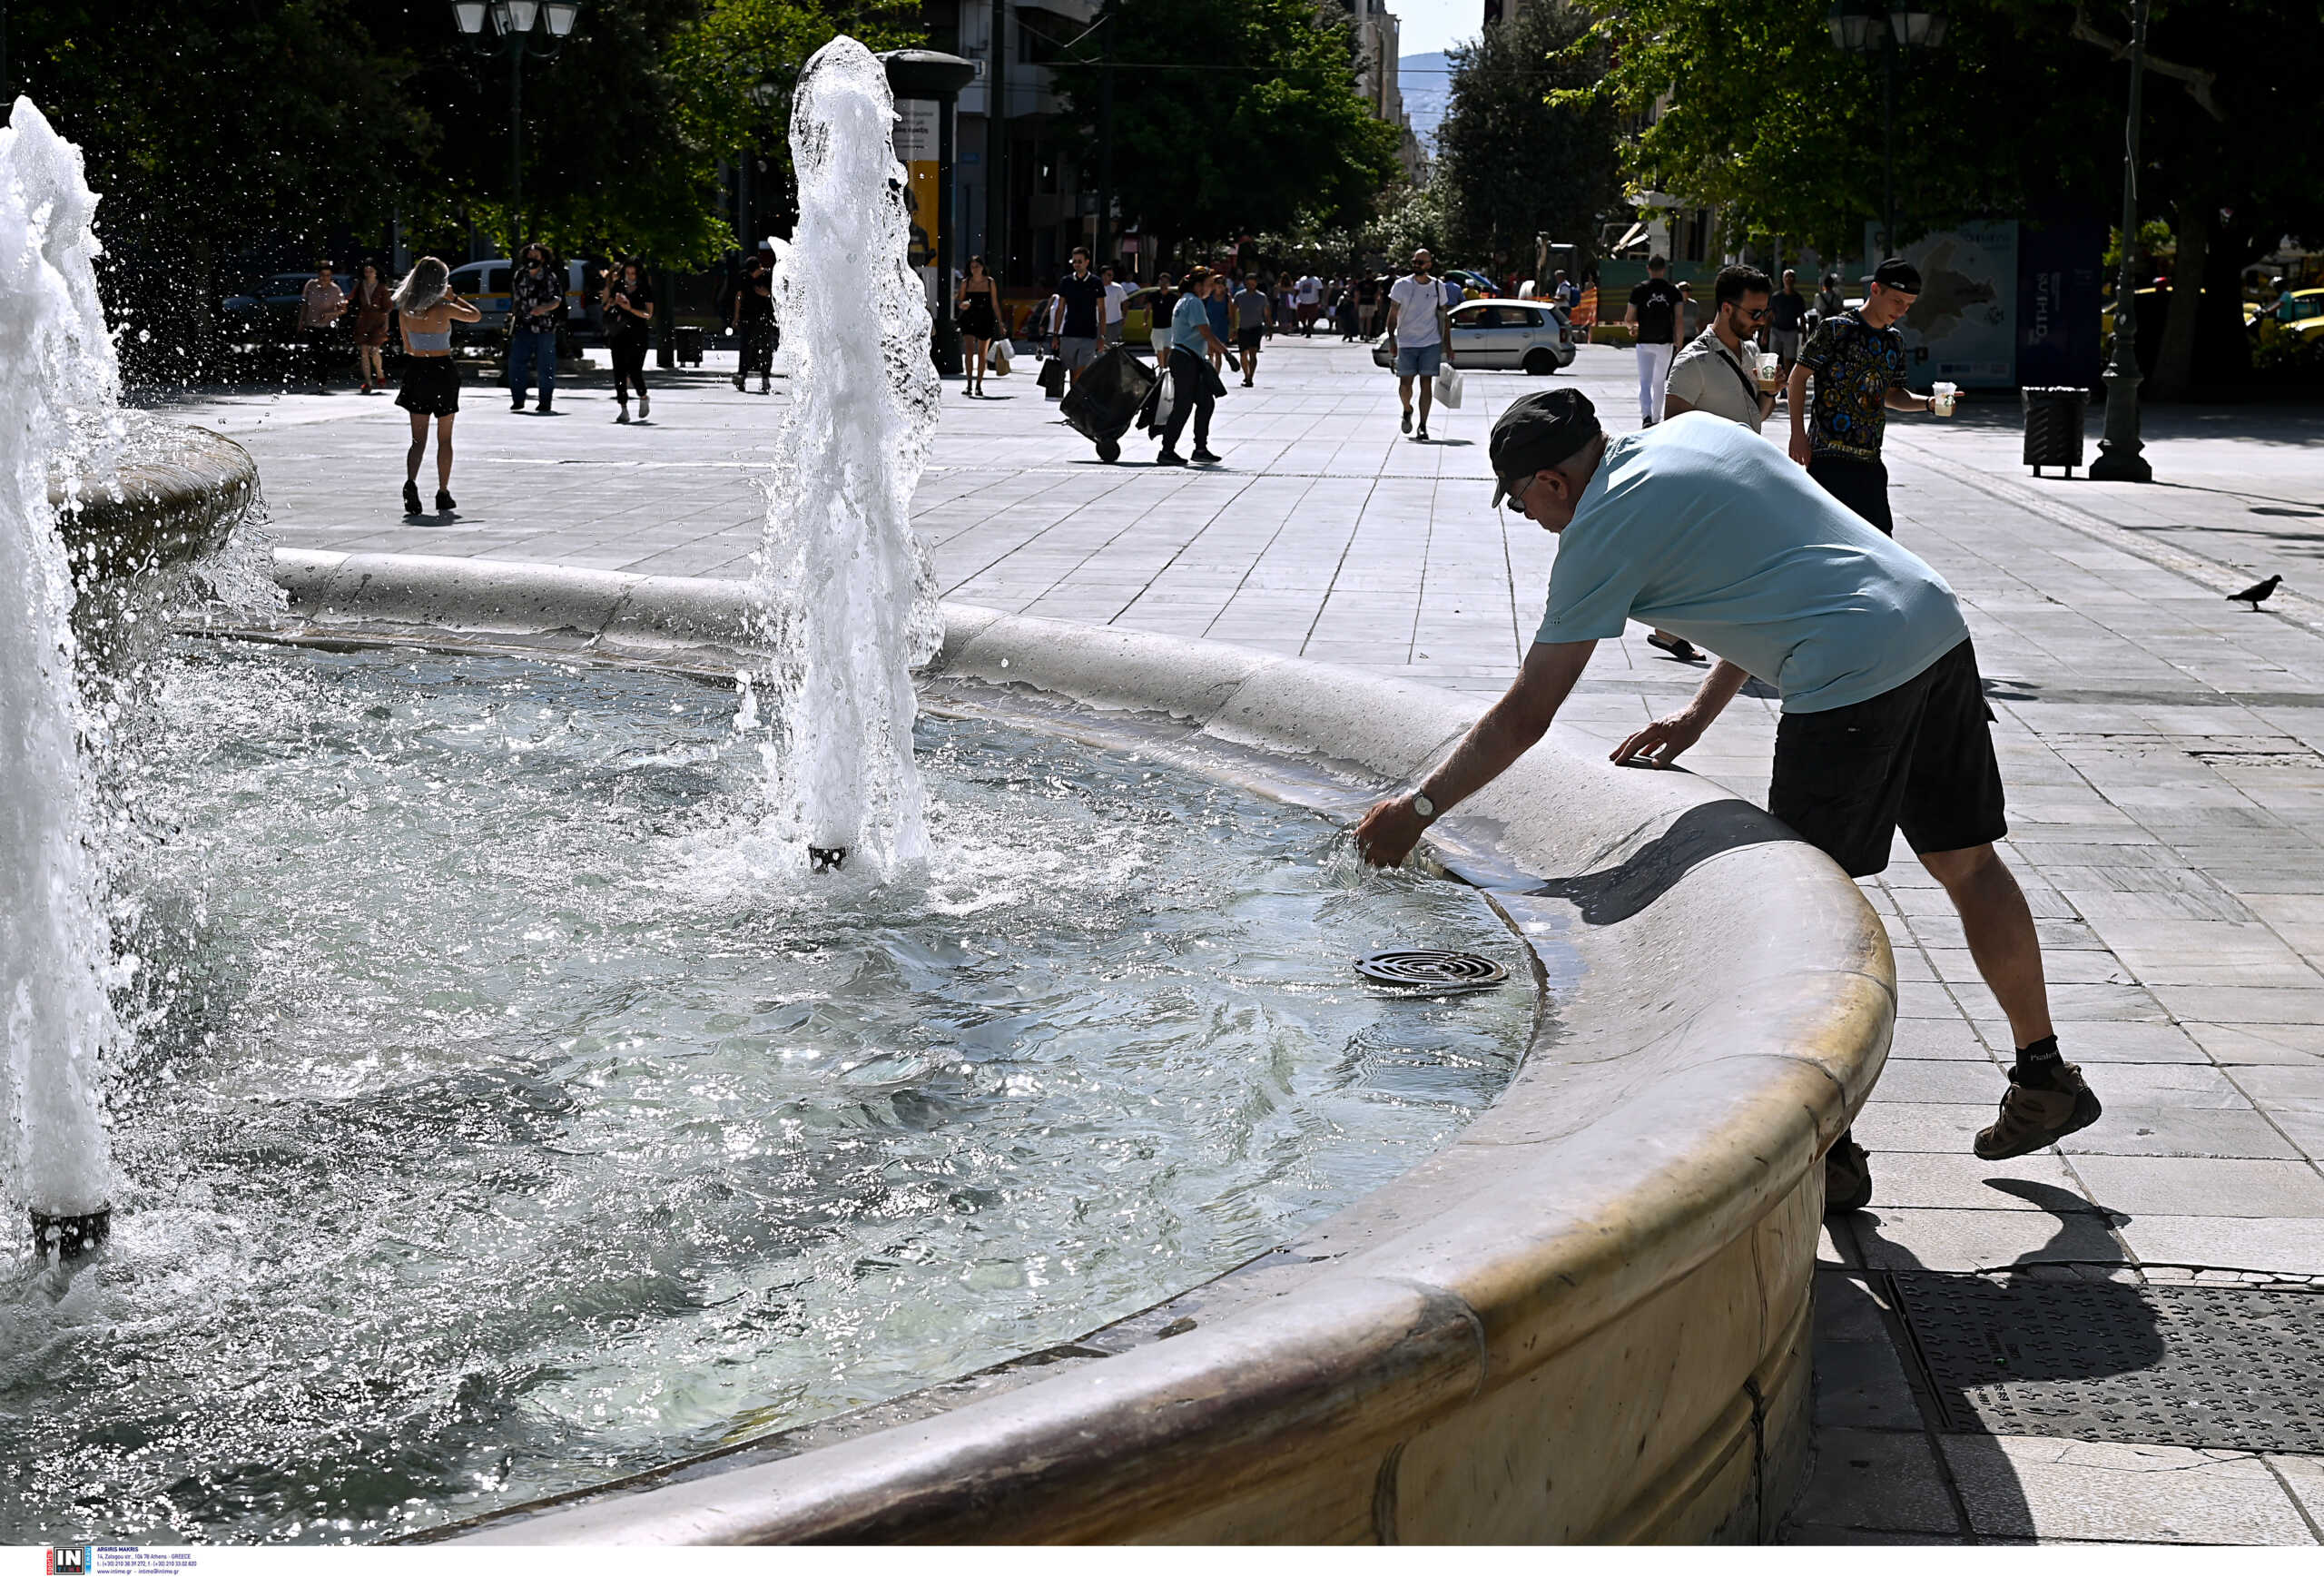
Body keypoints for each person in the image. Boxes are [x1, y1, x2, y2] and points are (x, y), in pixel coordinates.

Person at [1353, 388, 2103, 1216]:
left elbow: (1531, 710)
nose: (1525, 518)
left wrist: (1418, 809)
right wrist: (1697, 717)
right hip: (1927, 618)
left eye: (1521, 499)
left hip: (1849, 669)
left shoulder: (1599, 530)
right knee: (1966, 863)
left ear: (1553, 482)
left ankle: (1829, 1152)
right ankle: (2045, 1074)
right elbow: (1771, 569)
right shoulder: (1696, 436)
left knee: (1809, 918)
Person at [1787, 257, 1952, 535]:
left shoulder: (1894, 341)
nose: (1901, 311)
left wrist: (1929, 404)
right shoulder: (1835, 329)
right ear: (1875, 290)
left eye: (1908, 305)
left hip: (1870, 462)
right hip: (1828, 459)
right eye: (1897, 301)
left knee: (1879, 543)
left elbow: (1892, 395)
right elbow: (1797, 378)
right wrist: (1797, 434)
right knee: (1826, 543)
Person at [389, 256, 481, 517]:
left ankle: (411, 483)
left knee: (418, 440)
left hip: (417, 369)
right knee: (445, 438)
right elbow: (475, 316)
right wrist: (454, 298)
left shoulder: (405, 309)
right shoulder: (443, 307)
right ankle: (443, 492)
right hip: (442, 370)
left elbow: (407, 346)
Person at [1157, 263, 1229, 467]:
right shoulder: (1194, 302)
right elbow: (1205, 332)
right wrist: (1225, 352)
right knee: (1183, 405)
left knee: (1205, 403)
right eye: (1208, 284)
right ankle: (1167, 450)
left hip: (1188, 358)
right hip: (1186, 360)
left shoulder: (1184, 301)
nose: (1210, 289)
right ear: (1198, 285)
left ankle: (1200, 449)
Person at [1384, 248, 1454, 442]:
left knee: (1426, 383)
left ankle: (1423, 425)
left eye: (1421, 262)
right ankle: (1407, 409)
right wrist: (1392, 339)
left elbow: (1444, 317)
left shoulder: (1438, 286)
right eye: (1415, 262)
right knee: (1405, 385)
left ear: (1429, 265)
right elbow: (1392, 314)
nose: (1416, 265)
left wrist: (1448, 345)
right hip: (1406, 342)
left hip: (1430, 342)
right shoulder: (1401, 285)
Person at [1623, 254, 1684, 427]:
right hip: (1665, 343)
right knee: (1659, 383)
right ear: (1664, 270)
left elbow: (1628, 318)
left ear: (1648, 269)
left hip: (1644, 342)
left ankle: (1646, 417)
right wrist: (1679, 344)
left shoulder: (1639, 290)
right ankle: (1656, 419)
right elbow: (1679, 319)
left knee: (1644, 382)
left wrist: (1632, 328)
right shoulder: (1674, 292)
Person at [507, 243, 563, 414]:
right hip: (523, 326)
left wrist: (543, 308)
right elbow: (516, 299)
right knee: (516, 364)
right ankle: (518, 400)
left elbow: (557, 299)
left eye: (536, 256)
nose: (532, 259)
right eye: (530, 255)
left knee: (545, 367)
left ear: (543, 258)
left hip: (544, 328)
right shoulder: (520, 275)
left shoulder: (549, 276)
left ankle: (545, 402)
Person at [604, 258, 654, 423]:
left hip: (638, 333)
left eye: (633, 273)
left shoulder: (645, 288)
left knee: (634, 370)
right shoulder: (618, 286)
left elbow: (648, 314)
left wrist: (630, 308)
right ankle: (623, 408)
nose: (630, 276)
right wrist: (613, 301)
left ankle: (643, 395)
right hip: (618, 333)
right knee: (619, 370)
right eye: (628, 273)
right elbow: (606, 305)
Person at [1051, 246, 1105, 386]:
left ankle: (1075, 396)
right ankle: (1074, 397)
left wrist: (1102, 336)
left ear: (1087, 262)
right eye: (1074, 261)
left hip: (1089, 334)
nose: (1076, 264)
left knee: (1083, 369)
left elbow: (1102, 310)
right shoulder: (1066, 281)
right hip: (1069, 333)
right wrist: (1055, 334)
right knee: (1072, 370)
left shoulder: (1096, 282)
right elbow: (1060, 308)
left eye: (1079, 261)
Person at [957, 254, 1003, 397]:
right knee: (969, 351)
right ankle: (969, 384)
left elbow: (994, 303)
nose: (974, 269)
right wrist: (965, 303)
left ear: (983, 267)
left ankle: (978, 385)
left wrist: (1000, 323)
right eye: (972, 267)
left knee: (982, 353)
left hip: (986, 318)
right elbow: (960, 299)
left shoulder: (990, 282)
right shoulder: (966, 282)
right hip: (969, 318)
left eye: (977, 266)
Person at [298, 260, 346, 389]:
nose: (324, 278)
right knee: (314, 352)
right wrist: (301, 322)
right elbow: (304, 304)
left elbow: (343, 309)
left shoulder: (335, 289)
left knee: (324, 352)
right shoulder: (311, 285)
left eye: (328, 275)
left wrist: (329, 314)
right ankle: (316, 376)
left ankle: (322, 380)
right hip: (312, 324)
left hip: (328, 326)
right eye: (322, 275)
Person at [732, 251, 774, 395]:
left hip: (764, 318)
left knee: (766, 348)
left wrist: (766, 294)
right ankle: (742, 376)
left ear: (759, 268)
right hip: (746, 318)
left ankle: (765, 377)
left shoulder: (768, 276)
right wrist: (736, 317)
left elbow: (776, 295)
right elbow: (739, 296)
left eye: (755, 273)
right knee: (745, 348)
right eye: (751, 274)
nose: (753, 276)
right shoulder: (744, 276)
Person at [348, 262, 392, 395]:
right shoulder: (360, 285)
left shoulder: (382, 287)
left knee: (375, 350)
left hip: (377, 320)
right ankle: (368, 381)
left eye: (371, 271)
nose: (368, 274)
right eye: (366, 271)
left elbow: (387, 308)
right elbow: (351, 299)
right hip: (364, 320)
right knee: (364, 351)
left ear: (376, 272)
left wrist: (386, 323)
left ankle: (380, 373)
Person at [1231, 272, 1272, 387]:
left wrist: (1270, 327)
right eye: (1248, 283)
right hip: (1243, 328)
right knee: (1243, 354)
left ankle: (1250, 377)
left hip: (1256, 327)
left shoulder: (1262, 297)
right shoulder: (1239, 296)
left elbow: (1267, 313)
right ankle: (1246, 374)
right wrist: (1233, 328)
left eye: (1253, 283)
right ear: (1245, 284)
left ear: (1256, 284)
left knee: (1253, 353)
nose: (1250, 286)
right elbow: (1233, 312)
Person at [1769, 267, 1808, 376]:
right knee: (1772, 358)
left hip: (1791, 331)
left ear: (1794, 280)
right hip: (1776, 330)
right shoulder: (1776, 297)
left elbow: (1802, 318)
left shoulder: (1798, 298)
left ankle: (1786, 386)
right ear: (1783, 279)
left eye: (1792, 277)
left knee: (1789, 360)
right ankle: (1771, 384)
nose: (1789, 279)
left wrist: (1805, 335)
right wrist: (1765, 334)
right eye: (1787, 276)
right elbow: (1770, 315)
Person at [1203, 273, 1232, 373]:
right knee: (1210, 352)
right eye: (1217, 283)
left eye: (1222, 283)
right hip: (1209, 327)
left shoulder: (1227, 297)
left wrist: (1232, 329)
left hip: (1222, 327)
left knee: (1219, 352)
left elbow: (1231, 315)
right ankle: (1211, 371)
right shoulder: (1208, 297)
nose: (1219, 285)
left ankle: (1216, 374)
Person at [1100, 263, 1128, 349]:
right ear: (1102, 275)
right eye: (1109, 275)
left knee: (1112, 347)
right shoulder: (1096, 287)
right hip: (1099, 322)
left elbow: (1125, 302)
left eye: (1112, 275)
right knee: (1100, 346)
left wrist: (1124, 317)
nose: (1111, 277)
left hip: (1114, 322)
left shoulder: (1117, 288)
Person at [1294, 269, 1323, 335]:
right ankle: (1305, 326)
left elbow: (1320, 290)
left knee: (1311, 317)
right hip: (1302, 301)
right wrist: (1295, 297)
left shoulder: (1316, 280)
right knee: (1300, 316)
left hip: (1313, 301)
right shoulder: (1302, 279)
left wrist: (1320, 300)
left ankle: (1309, 330)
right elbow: (1298, 289)